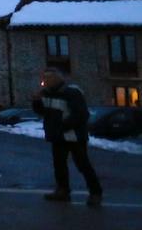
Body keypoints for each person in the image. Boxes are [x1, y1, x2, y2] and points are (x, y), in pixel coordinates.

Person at [33, 67, 103, 206]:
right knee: (59, 165)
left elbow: (81, 114)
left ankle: (95, 193)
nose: (45, 81)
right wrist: (37, 101)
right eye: (44, 78)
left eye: (49, 78)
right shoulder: (47, 93)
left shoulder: (72, 93)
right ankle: (63, 191)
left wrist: (63, 126)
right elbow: (42, 112)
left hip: (74, 136)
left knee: (83, 165)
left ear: (58, 78)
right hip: (58, 136)